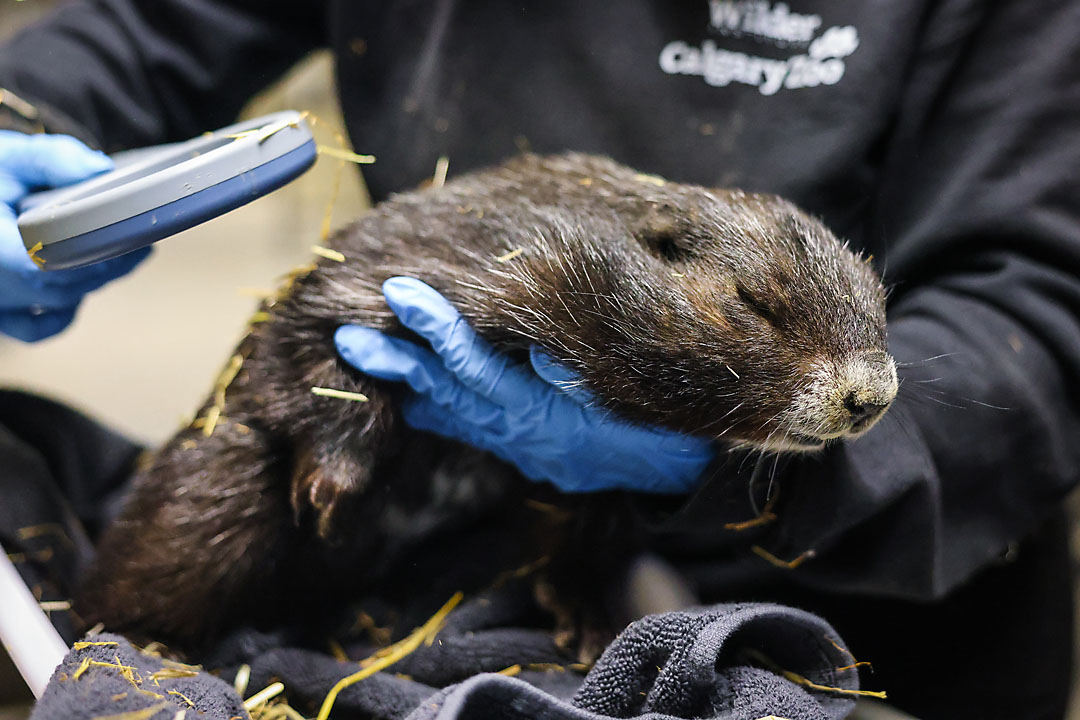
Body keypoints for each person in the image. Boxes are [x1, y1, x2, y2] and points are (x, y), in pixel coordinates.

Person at [1, 2, 1078, 718]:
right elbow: (157, 24)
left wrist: (677, 465)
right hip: (414, 500)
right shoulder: (555, 269)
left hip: (875, 598)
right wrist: (14, 127)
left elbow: (1036, 301)